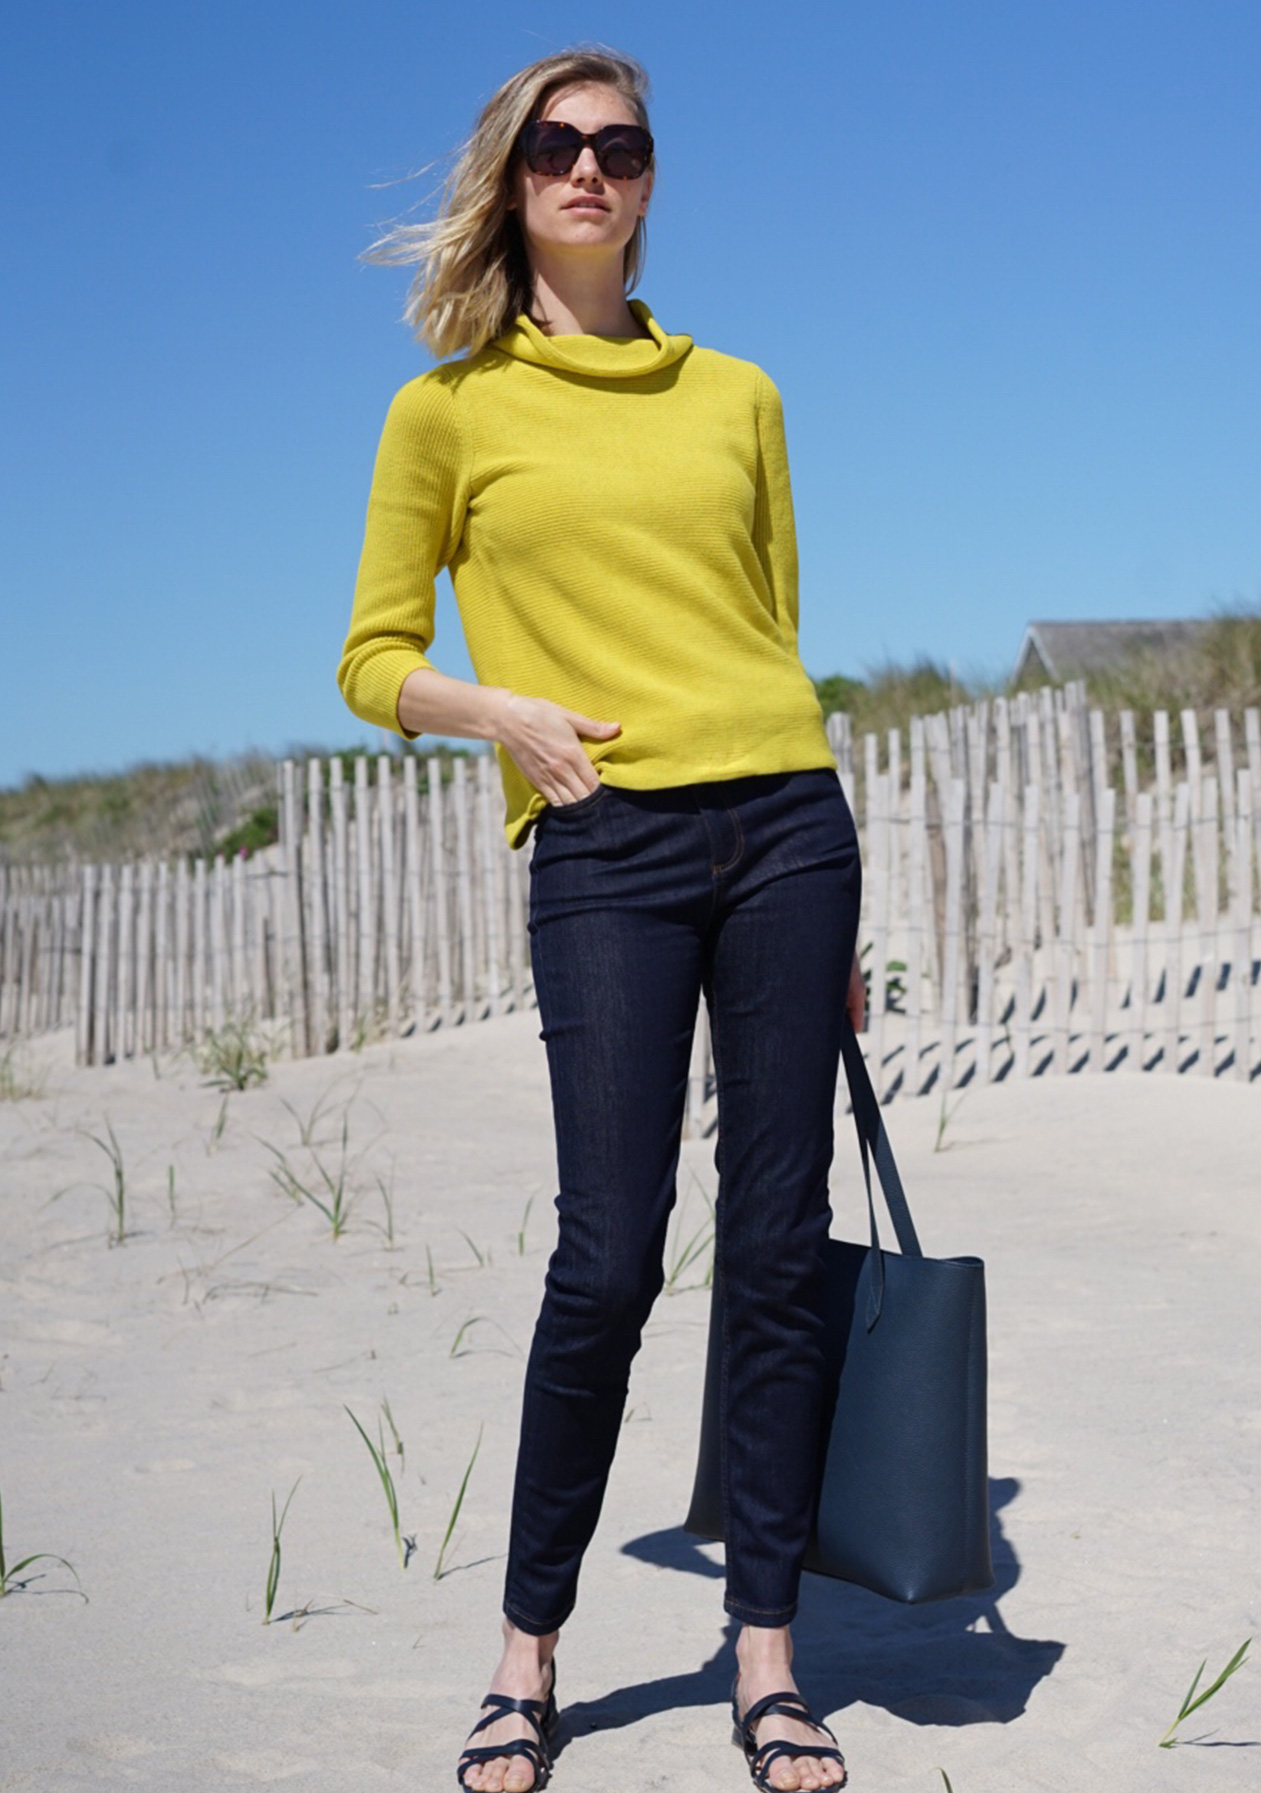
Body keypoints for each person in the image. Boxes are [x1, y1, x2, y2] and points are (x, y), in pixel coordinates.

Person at [338, 46, 865, 1793]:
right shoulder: (451, 407)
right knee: (610, 1255)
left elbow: (774, 642)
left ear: (648, 183)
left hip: (787, 827)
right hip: (604, 844)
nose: (587, 170)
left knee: (781, 1249)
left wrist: (835, 912)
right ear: (512, 179)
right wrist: (504, 714)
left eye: (618, 146)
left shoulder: (744, 397)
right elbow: (368, 659)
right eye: (555, 146)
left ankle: (765, 1656)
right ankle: (526, 1651)